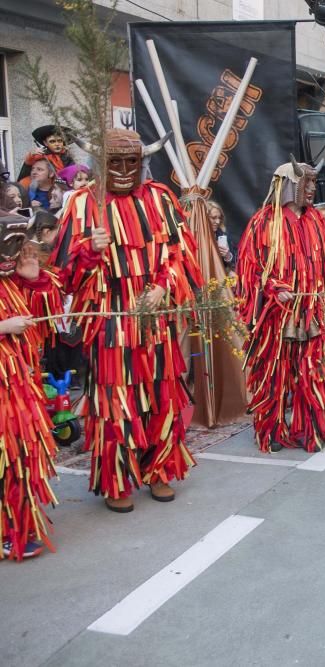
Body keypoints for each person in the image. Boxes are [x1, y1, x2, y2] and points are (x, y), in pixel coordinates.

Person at [50, 129, 203, 512]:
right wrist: (88, 250)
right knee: (115, 401)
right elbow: (63, 273)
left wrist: (164, 287)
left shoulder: (160, 198)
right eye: (113, 162)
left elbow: (181, 252)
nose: (122, 171)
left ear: (142, 163)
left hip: (155, 317)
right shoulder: (82, 204)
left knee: (161, 395)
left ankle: (159, 470)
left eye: (130, 162)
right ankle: (117, 478)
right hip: (111, 320)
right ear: (101, 165)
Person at [236, 158, 325, 453]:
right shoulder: (264, 222)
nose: (311, 189)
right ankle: (271, 429)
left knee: (312, 372)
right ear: (288, 185)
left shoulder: (316, 220)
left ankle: (311, 430)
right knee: (274, 375)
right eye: (304, 183)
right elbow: (249, 268)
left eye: (312, 183)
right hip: (276, 318)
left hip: (310, 313)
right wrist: (272, 288)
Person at [0, 213, 62, 560]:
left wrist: (33, 278)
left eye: (17, 246)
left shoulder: (11, 280)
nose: (13, 255)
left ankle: (16, 526)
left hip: (20, 387)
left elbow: (48, 315)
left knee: (19, 458)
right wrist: (4, 326)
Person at [205, 200, 235, 272]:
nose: (218, 222)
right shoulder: (197, 237)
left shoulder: (223, 235)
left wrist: (228, 256)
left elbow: (235, 262)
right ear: (204, 217)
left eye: (219, 218)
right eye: (213, 218)